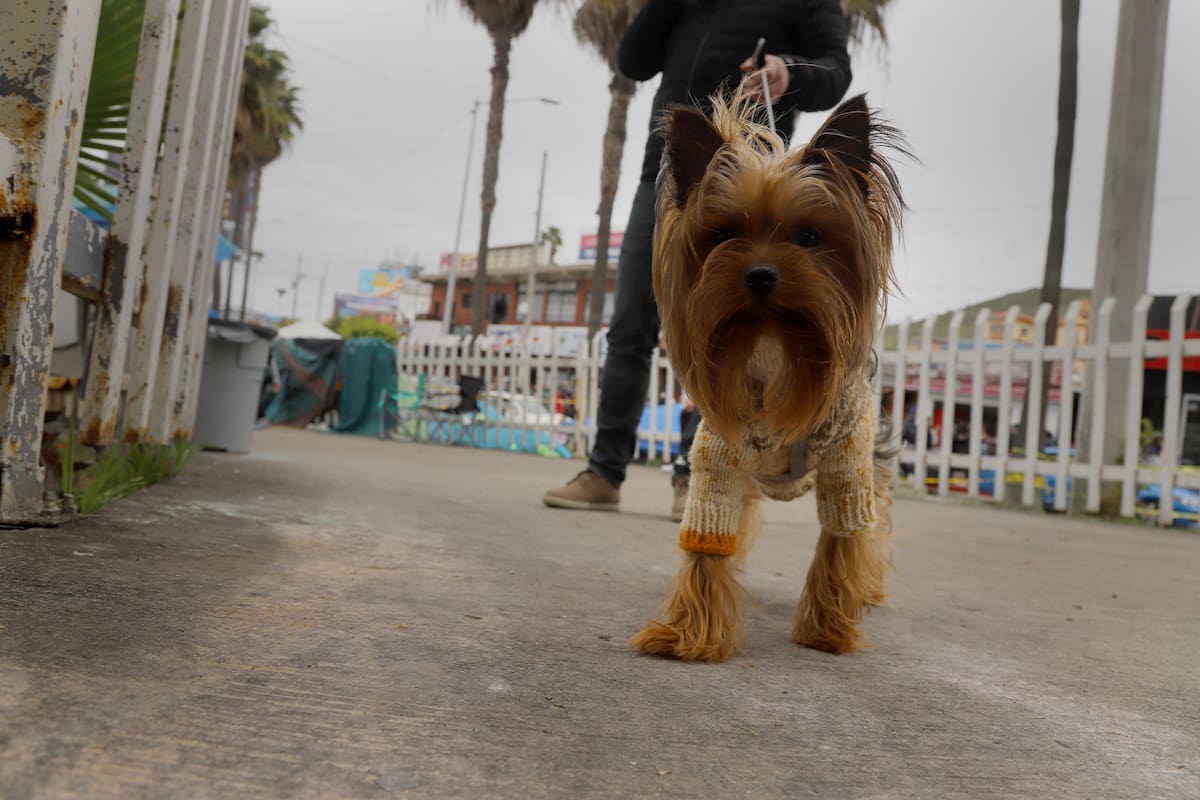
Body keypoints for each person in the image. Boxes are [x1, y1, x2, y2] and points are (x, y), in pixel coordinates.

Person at [543, 0, 854, 519]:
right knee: (629, 328)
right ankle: (604, 471)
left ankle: (698, 476)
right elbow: (634, 60)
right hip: (666, 176)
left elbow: (835, 71)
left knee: (724, 327)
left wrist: (787, 71)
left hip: (743, 184)